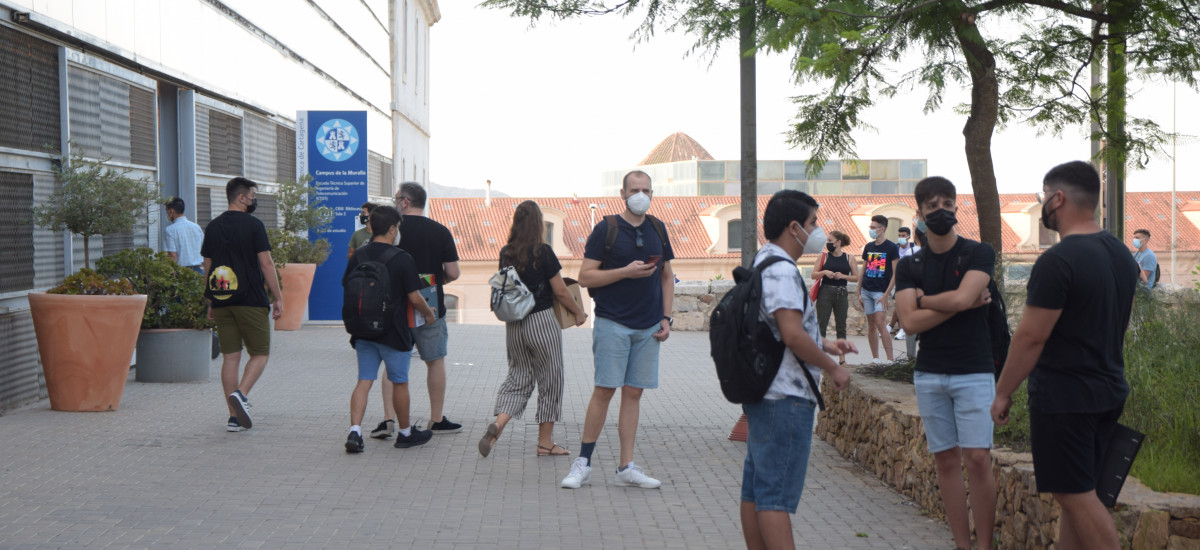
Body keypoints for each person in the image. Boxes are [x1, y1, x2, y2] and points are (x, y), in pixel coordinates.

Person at [992, 161, 1138, 550]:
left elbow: (1030, 338)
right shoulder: (1121, 253)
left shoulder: (1058, 260)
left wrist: (1003, 392)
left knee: (1074, 495)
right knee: (1080, 492)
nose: (1042, 204)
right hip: (1108, 388)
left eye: (1043, 196)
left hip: (1066, 396)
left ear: (1058, 198)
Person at [740, 190, 854, 549]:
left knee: (755, 490)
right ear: (794, 227)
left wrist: (822, 343)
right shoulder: (783, 270)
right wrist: (832, 368)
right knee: (774, 497)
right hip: (786, 397)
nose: (817, 231)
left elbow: (777, 329)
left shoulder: (763, 260)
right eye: (813, 223)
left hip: (765, 394)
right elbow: (790, 334)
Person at [894, 176, 998, 550]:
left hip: (974, 371)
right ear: (919, 212)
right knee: (946, 463)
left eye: (947, 204)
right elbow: (908, 323)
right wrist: (957, 302)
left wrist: (925, 301)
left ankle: (984, 545)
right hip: (930, 374)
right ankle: (962, 545)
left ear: (957, 206)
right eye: (932, 206)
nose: (941, 211)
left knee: (977, 459)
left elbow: (960, 299)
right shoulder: (909, 266)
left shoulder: (979, 252)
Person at [560, 170, 674, 490]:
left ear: (653, 194)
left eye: (646, 190)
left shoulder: (657, 229)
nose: (641, 195)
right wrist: (626, 272)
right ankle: (582, 462)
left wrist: (666, 317)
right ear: (622, 193)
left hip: (649, 326)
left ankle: (626, 466)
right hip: (613, 322)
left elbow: (667, 276)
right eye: (635, 189)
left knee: (634, 393)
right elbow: (585, 277)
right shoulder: (606, 228)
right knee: (605, 390)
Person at [478, 201, 588, 458]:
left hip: (515, 325)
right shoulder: (543, 252)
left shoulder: (506, 252)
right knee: (550, 379)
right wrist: (579, 312)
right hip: (541, 320)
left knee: (518, 377)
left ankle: (499, 424)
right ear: (538, 224)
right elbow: (560, 290)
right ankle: (545, 442)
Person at [342, 205, 438, 453]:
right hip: (394, 332)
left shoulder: (359, 256)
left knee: (364, 380)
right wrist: (429, 316)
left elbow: (347, 286)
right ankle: (405, 433)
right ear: (393, 228)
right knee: (399, 382)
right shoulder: (402, 258)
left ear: (372, 226)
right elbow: (415, 297)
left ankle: (355, 431)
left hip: (363, 330)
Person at [201, 177, 284, 432]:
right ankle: (242, 394)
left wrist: (210, 299)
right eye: (252, 195)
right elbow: (266, 263)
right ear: (241, 198)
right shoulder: (254, 225)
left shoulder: (213, 227)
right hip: (251, 299)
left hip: (223, 299)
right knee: (259, 353)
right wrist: (278, 296)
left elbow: (208, 265)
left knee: (231, 357)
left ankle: (233, 417)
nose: (253, 200)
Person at [389, 182, 463, 435]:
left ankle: (391, 420)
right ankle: (436, 418)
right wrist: (437, 279)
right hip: (430, 305)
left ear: (405, 202)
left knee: (394, 361)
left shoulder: (391, 230)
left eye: (396, 197)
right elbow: (453, 272)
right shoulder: (440, 231)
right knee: (435, 361)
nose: (395, 201)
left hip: (395, 304)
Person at [812, 230, 859, 365]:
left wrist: (844, 276)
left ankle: (842, 359)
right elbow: (813, 275)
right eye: (828, 241)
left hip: (841, 292)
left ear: (838, 242)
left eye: (830, 241)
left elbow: (856, 277)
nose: (828, 244)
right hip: (825, 292)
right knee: (822, 324)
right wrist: (824, 272)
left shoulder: (849, 257)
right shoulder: (823, 257)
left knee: (841, 326)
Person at [857, 214, 898, 363]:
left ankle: (890, 359)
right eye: (871, 227)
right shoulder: (869, 247)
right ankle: (875, 358)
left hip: (880, 292)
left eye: (873, 228)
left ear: (882, 229)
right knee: (871, 323)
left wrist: (886, 294)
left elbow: (895, 274)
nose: (871, 230)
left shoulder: (892, 247)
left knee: (881, 322)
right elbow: (863, 270)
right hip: (866, 290)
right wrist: (858, 291)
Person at [890, 226, 921, 342]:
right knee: (899, 304)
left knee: (901, 304)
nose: (901, 238)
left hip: (909, 280)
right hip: (897, 279)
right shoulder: (895, 248)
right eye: (899, 236)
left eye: (903, 236)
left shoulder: (913, 248)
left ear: (908, 236)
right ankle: (899, 328)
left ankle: (892, 326)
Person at [162, 197, 205, 274]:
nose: (167, 214)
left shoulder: (170, 230)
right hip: (199, 271)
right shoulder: (196, 227)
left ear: (171, 211)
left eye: (166, 211)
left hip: (182, 273)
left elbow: (172, 256)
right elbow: (204, 250)